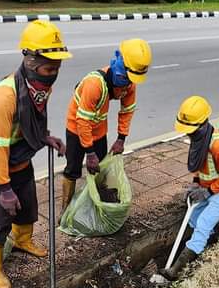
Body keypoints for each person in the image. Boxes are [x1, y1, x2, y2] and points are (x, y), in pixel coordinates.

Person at [0, 20, 69, 288]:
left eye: (57, 68)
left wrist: (44, 137)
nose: (54, 74)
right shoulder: (6, 94)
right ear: (30, 62)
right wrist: (3, 188)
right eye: (49, 68)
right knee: (0, 215)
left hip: (20, 157)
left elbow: (34, 120)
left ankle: (23, 240)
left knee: (26, 205)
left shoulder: (39, 86)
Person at [61, 38, 152, 209]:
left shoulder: (130, 83)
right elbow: (83, 120)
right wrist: (89, 152)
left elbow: (127, 110)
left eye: (131, 79)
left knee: (99, 169)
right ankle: (65, 209)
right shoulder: (94, 84)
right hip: (77, 128)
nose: (128, 83)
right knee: (72, 169)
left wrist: (121, 139)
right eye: (126, 77)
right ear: (119, 62)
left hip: (99, 131)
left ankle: (96, 204)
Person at [163, 96, 219, 280]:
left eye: (190, 130)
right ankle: (210, 239)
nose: (188, 134)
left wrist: (207, 192)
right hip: (210, 187)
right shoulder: (200, 140)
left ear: (203, 124)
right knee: (193, 217)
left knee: (203, 223)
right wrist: (196, 184)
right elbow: (201, 166)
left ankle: (175, 270)